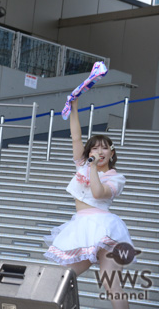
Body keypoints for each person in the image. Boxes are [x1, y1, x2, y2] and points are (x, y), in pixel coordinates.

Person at [44, 98, 132, 309]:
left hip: (105, 229)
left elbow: (98, 193)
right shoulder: (83, 166)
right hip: (82, 227)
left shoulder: (115, 177)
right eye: (94, 149)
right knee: (64, 277)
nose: (99, 152)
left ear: (112, 153)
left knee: (111, 283)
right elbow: (76, 137)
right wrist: (74, 108)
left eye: (104, 149)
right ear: (89, 152)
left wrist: (93, 169)